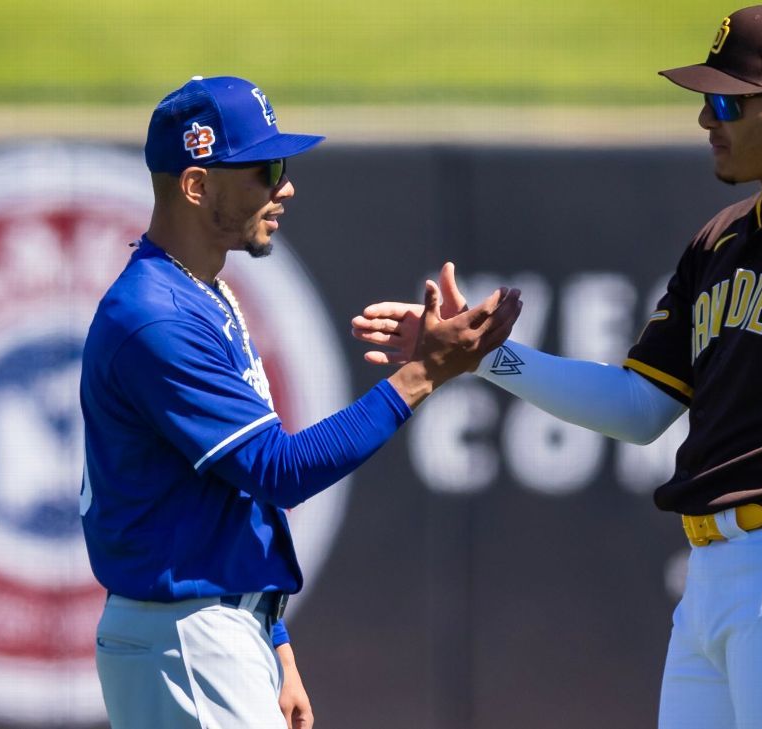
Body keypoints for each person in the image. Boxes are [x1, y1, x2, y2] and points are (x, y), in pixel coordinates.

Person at [350, 4, 762, 728]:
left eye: (727, 100)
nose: (707, 119)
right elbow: (641, 406)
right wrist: (488, 359)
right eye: (705, 99)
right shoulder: (721, 240)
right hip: (713, 575)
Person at [79, 75, 522, 729]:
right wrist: (425, 373)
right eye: (265, 168)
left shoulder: (198, 293)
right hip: (188, 639)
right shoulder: (156, 317)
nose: (285, 186)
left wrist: (274, 642)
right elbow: (276, 469)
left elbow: (236, 494)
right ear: (197, 186)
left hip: (212, 632)